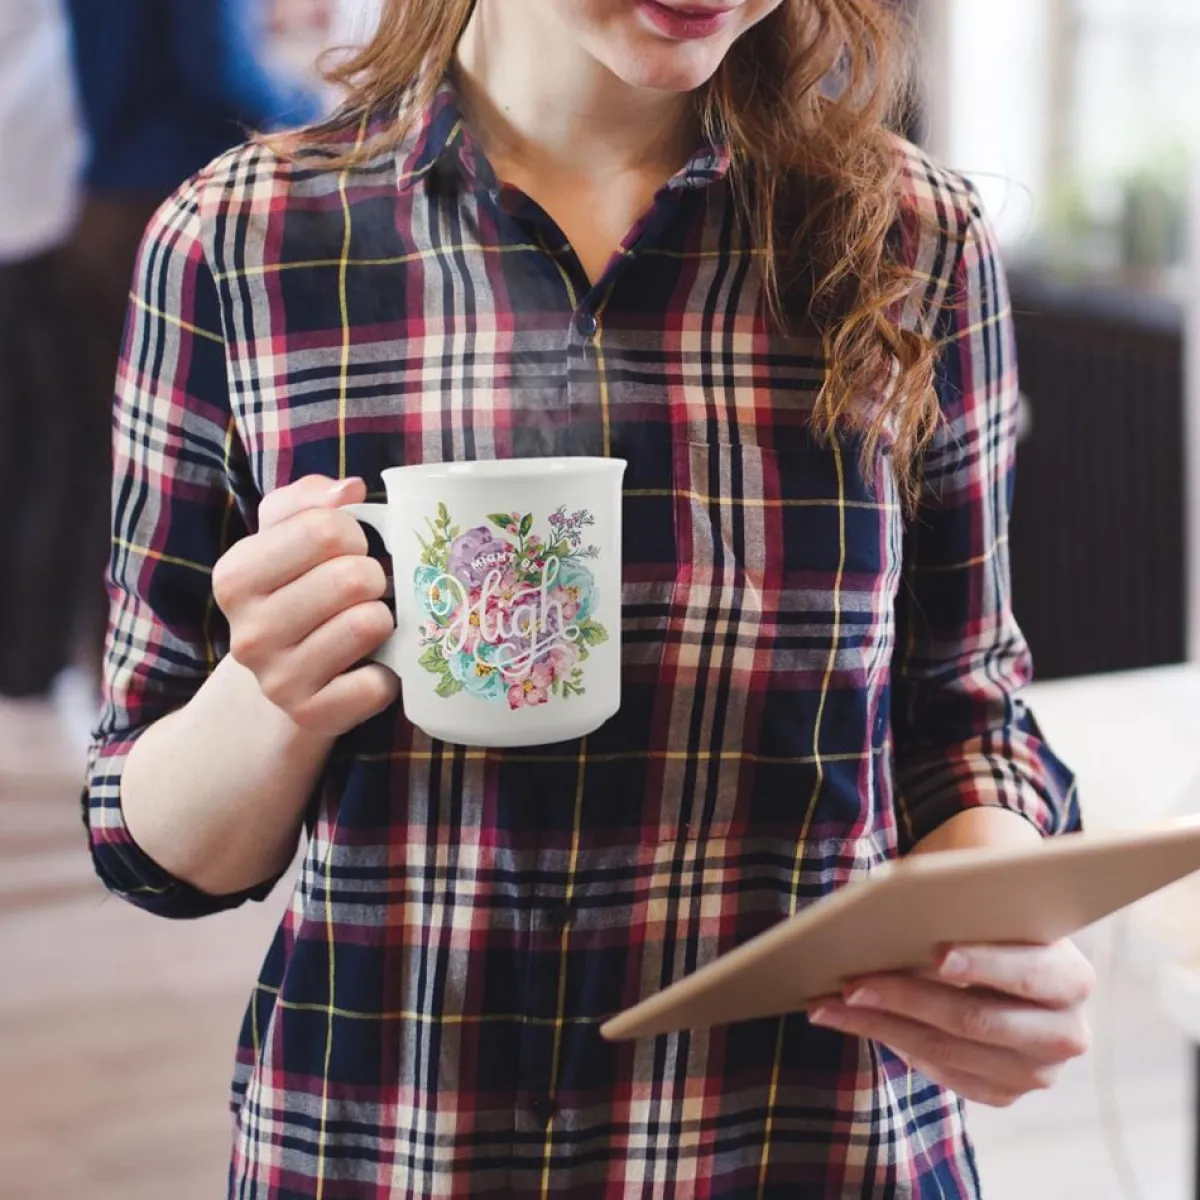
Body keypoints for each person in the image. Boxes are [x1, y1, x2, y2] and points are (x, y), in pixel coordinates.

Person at [83, 1, 1093, 1195]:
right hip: (392, 1143)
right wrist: (275, 697)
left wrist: (990, 947)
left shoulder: (917, 240)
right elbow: (148, 839)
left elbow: (961, 714)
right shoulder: (239, 243)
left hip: (806, 1141)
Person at [61, 0, 323, 684]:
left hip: (100, 201)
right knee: (177, 477)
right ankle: (154, 693)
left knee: (112, 461)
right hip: (178, 206)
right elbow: (221, 70)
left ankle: (110, 675)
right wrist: (328, 114)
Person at [0, 0, 86, 767]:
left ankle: (25, 675)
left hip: (27, 215)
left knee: (26, 448)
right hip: (35, 214)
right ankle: (30, 675)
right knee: (62, 455)